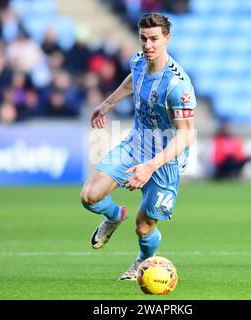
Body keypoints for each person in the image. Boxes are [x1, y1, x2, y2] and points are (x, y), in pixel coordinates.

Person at [80, 12, 196, 281]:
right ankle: (114, 216)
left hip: (166, 159)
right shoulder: (138, 61)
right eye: (143, 38)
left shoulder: (178, 86)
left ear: (167, 38)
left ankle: (143, 261)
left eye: (154, 39)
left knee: (144, 226)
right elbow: (133, 80)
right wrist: (107, 103)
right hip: (137, 143)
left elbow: (186, 135)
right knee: (89, 196)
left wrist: (150, 166)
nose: (148, 45)